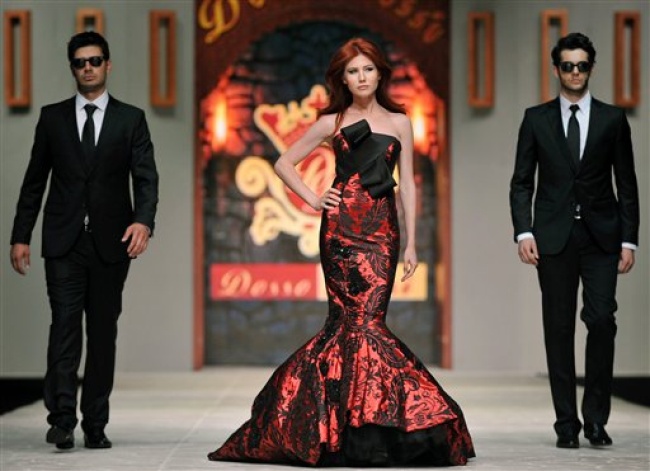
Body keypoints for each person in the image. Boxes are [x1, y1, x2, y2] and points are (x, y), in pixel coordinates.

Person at [208, 37, 474, 466]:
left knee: (368, 324)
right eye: (353, 71)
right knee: (350, 324)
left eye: (368, 69)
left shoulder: (400, 122)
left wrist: (412, 242)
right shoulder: (332, 121)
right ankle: (354, 431)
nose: (361, 77)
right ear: (343, 79)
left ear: (380, 74)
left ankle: (357, 426)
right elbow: (283, 163)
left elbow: (408, 185)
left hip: (382, 233)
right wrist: (315, 199)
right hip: (340, 233)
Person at [9, 31, 159, 450]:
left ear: (108, 65)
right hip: (63, 241)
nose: (88, 68)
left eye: (94, 60)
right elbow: (34, 182)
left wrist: (143, 222)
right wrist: (20, 236)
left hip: (112, 243)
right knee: (64, 327)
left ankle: (95, 423)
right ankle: (61, 420)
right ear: (72, 68)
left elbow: (146, 178)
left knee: (103, 333)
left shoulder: (131, 119)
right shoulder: (52, 118)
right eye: (80, 62)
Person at [510, 32, 639, 449]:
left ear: (591, 68)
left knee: (601, 321)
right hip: (553, 237)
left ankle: (596, 420)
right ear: (556, 69)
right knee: (559, 327)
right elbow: (521, 181)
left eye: (582, 65)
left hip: (602, 236)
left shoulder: (612, 119)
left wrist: (629, 240)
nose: (575, 72)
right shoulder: (536, 119)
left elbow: (627, 183)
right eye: (568, 66)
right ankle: (567, 423)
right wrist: (524, 231)